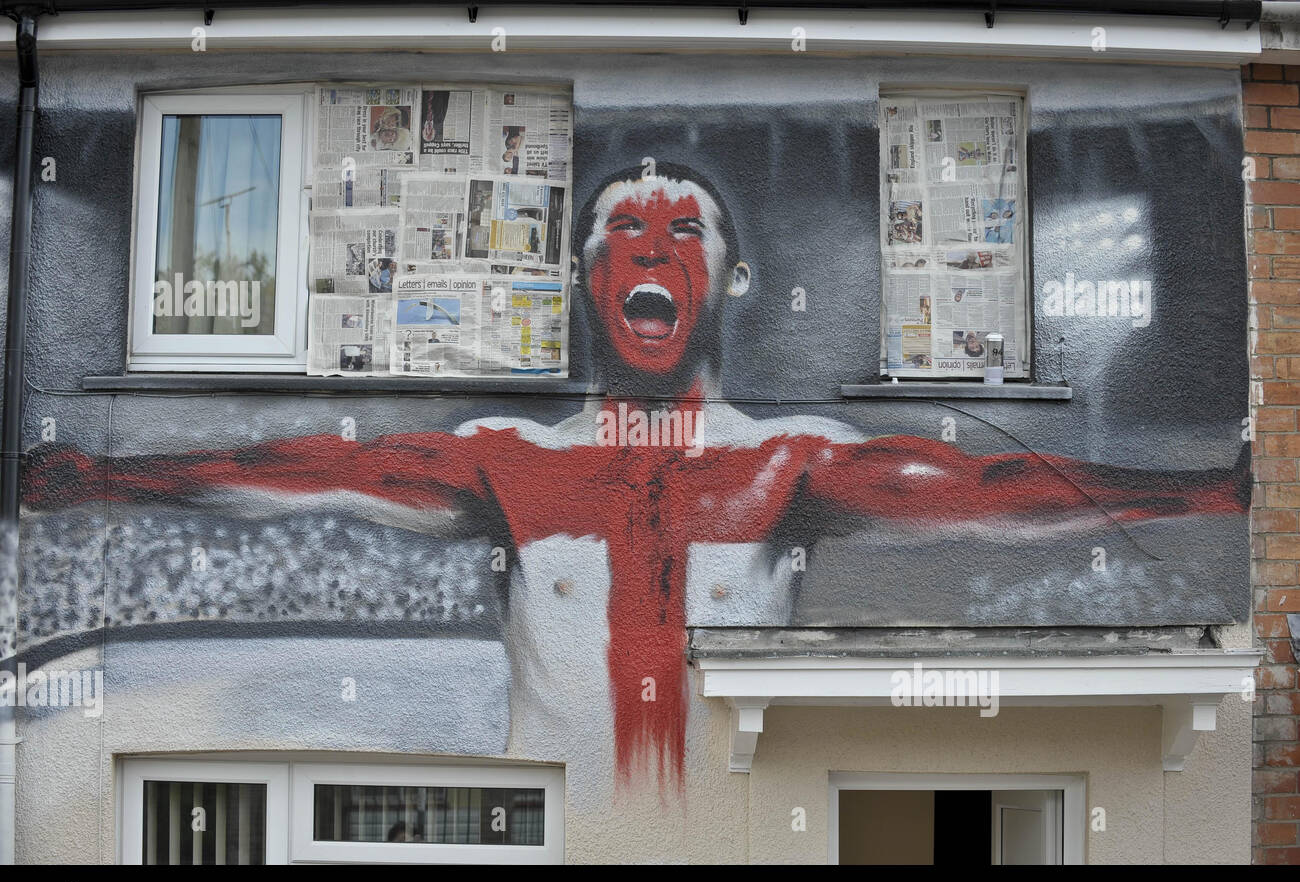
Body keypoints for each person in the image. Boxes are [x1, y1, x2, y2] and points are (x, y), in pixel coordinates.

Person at [23, 163, 1249, 793]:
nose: (650, 245)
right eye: (620, 228)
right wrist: (107, 479)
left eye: (680, 230)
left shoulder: (788, 460)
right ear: (583, 280)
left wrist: (1202, 494)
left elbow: (984, 494)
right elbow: (310, 464)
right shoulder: (508, 464)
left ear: (733, 279)